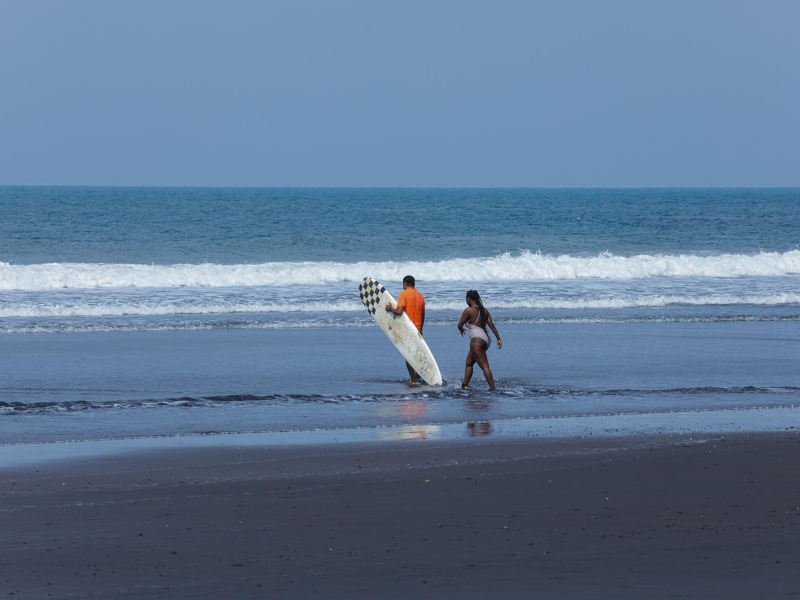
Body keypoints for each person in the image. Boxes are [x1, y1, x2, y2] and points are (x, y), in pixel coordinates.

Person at [457, 289, 502, 390]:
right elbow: (491, 324)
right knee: (469, 363)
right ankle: (464, 386)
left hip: (476, 341)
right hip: (486, 339)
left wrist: (461, 328)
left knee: (484, 366)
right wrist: (498, 338)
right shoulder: (484, 310)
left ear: (468, 299)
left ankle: (493, 389)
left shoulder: (468, 310)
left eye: (466, 299)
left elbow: (459, 324)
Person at [385, 275, 426, 383]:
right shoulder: (420, 296)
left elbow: (399, 312)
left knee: (408, 355)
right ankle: (418, 374)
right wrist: (421, 329)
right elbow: (423, 315)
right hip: (418, 328)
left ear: (405, 284)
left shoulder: (403, 294)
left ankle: (412, 379)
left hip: (409, 329)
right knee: (417, 354)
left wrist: (390, 309)